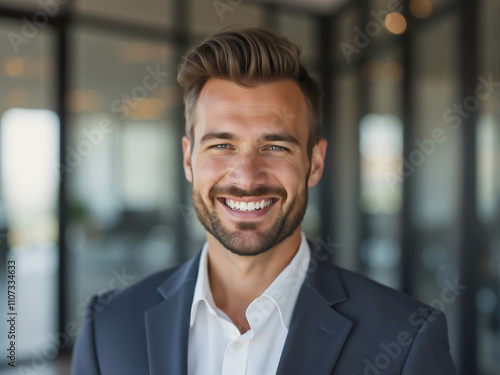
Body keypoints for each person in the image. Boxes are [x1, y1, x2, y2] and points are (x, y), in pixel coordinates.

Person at [71, 27, 456, 375]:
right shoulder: (108, 325)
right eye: (222, 145)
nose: (246, 176)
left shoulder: (405, 338)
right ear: (189, 159)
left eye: (275, 146)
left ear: (315, 163)